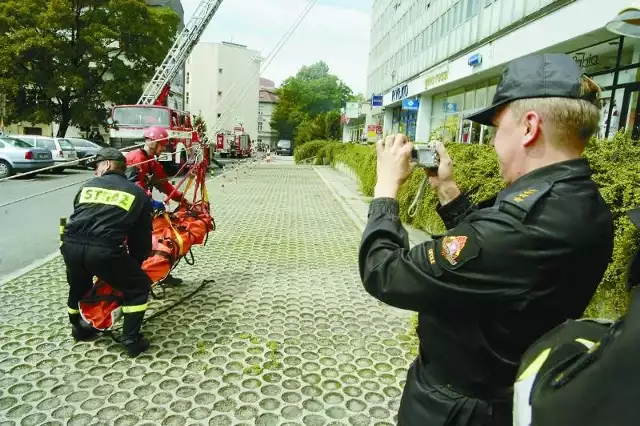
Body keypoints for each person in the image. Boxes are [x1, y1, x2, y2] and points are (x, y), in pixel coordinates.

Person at [358, 53, 614, 426]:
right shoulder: (581, 201)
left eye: (497, 130)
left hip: (457, 410)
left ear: (529, 127)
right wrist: (445, 188)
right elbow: (491, 256)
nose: (493, 143)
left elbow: (383, 271)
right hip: (502, 394)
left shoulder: (525, 225)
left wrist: (385, 189)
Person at [61, 148, 153, 357]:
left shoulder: (87, 187)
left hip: (70, 245)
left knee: (78, 286)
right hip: (104, 251)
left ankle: (79, 329)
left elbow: (78, 214)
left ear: (108, 165)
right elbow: (141, 237)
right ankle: (131, 340)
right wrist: (135, 262)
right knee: (138, 287)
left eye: (97, 167)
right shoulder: (137, 193)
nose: (95, 172)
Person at [125, 125, 190, 286]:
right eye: (162, 145)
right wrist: (151, 201)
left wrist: (181, 199)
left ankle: (161, 272)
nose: (164, 148)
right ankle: (135, 280)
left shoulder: (152, 163)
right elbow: (134, 186)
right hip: (129, 210)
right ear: (153, 142)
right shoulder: (135, 159)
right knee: (137, 246)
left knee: (164, 239)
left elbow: (164, 185)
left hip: (142, 209)